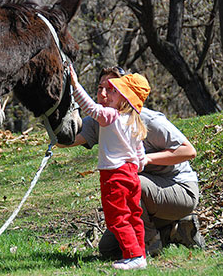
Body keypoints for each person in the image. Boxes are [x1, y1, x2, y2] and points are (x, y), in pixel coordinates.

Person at [59, 66, 205, 259]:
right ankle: (174, 230)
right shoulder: (102, 119)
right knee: (109, 249)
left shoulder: (148, 120)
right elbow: (65, 140)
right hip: (148, 194)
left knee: (129, 181)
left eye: (111, 89)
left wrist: (146, 159)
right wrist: (51, 112)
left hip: (180, 189)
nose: (103, 94)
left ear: (124, 93)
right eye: (100, 87)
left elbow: (189, 151)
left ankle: (149, 244)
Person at [68, 64, 151, 270]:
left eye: (115, 90)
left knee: (116, 218)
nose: (108, 93)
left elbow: (90, 108)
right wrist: (136, 166)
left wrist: (76, 86)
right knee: (133, 216)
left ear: (126, 97)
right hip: (131, 175)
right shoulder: (134, 121)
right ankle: (139, 254)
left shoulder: (111, 116)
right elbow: (140, 155)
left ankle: (133, 256)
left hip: (114, 176)